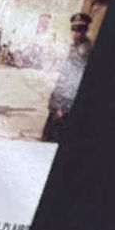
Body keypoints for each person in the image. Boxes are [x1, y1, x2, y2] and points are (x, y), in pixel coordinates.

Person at [41, 13, 92, 143]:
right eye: (73, 29)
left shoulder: (84, 50)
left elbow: (76, 80)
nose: (75, 33)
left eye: (79, 30)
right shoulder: (75, 46)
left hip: (66, 101)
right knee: (49, 132)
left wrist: (63, 107)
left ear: (85, 31)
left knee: (55, 136)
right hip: (60, 96)